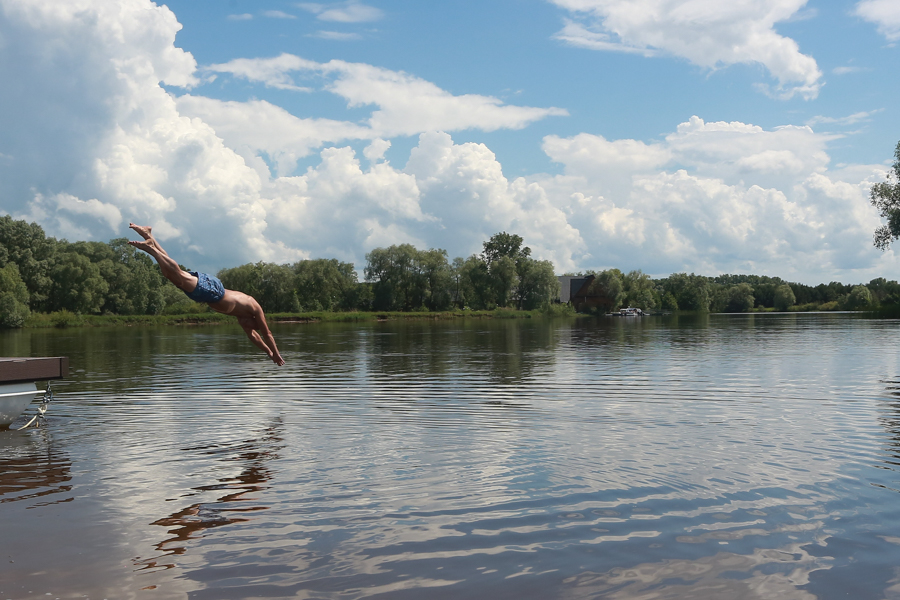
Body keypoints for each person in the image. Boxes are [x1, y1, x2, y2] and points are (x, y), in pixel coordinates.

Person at [128, 224, 285, 366]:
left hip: (208, 293)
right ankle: (151, 249)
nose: (247, 328)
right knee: (178, 276)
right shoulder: (255, 309)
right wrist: (277, 353)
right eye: (251, 327)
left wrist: (269, 353)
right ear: (255, 322)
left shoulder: (243, 316)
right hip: (213, 291)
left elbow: (254, 337)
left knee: (175, 275)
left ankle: (149, 236)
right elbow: (267, 334)